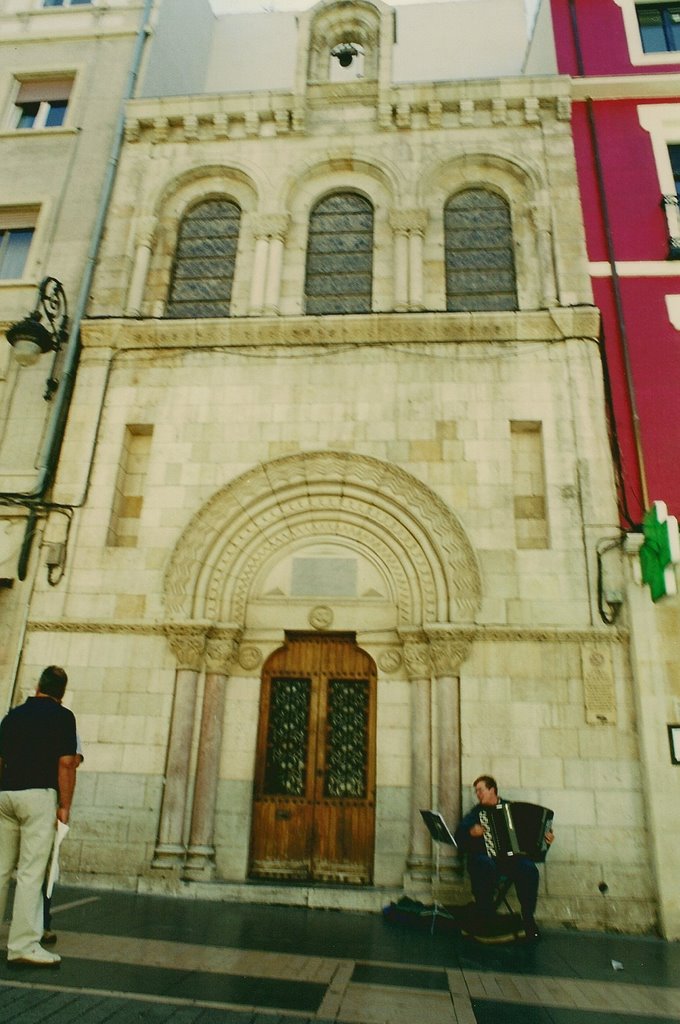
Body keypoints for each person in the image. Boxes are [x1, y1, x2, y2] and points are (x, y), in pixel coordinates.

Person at [0, 665, 78, 967]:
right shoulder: (63, 717)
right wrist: (65, 807)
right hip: (39, 797)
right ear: (61, 693)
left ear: (37, 687)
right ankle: (22, 945)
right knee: (31, 873)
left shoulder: (14, 715)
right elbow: (66, 764)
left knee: (1, 869)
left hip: (6, 796)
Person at [454, 774, 554, 941]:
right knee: (484, 864)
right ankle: (486, 916)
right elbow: (459, 835)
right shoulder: (476, 813)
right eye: (476, 792)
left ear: (492, 789)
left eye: (480, 790)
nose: (478, 794)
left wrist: (546, 840)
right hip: (483, 859)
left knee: (529, 869)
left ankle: (528, 919)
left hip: (508, 861)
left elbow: (534, 843)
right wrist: (472, 832)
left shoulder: (512, 809)